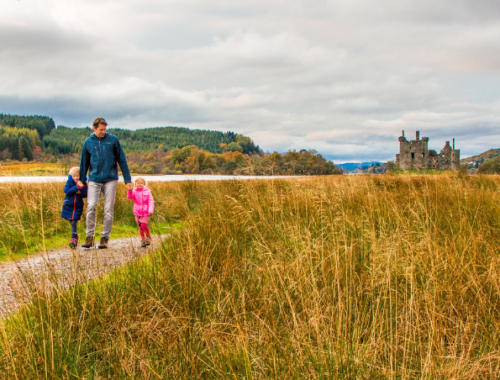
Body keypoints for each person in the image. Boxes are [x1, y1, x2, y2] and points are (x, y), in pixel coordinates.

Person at [79, 117, 132, 249]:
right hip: (94, 179)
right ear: (94, 128)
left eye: (105, 129)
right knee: (91, 206)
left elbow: (122, 160)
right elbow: (84, 163)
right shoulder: (88, 142)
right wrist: (81, 179)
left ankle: (104, 238)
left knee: (108, 209)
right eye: (101, 129)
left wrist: (128, 180)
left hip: (111, 179)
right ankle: (89, 237)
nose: (103, 131)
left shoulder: (112, 140)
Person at [60, 167, 88, 248]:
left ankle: (73, 238)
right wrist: (77, 187)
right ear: (71, 176)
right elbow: (67, 191)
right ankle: (75, 236)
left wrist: (81, 188)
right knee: (71, 221)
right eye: (74, 176)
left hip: (78, 206)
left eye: (77, 176)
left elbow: (85, 194)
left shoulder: (83, 183)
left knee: (73, 222)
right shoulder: (69, 182)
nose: (76, 178)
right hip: (68, 205)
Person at [127, 177, 155, 247]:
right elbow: (130, 197)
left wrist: (150, 210)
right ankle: (143, 239)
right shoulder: (134, 191)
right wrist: (129, 190)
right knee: (140, 226)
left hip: (145, 211)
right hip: (137, 211)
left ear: (144, 184)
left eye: (141, 183)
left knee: (143, 225)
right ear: (135, 184)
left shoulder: (147, 191)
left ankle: (148, 237)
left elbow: (151, 201)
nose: (140, 184)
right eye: (138, 183)